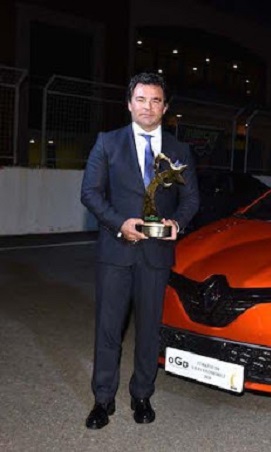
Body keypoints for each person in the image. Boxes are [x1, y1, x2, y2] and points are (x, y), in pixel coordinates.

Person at [80, 72, 199, 429]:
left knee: (149, 330)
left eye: (155, 100)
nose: (148, 106)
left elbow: (191, 199)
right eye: (141, 99)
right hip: (116, 252)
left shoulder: (179, 150)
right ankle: (103, 400)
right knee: (109, 329)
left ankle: (142, 394)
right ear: (129, 104)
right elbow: (90, 193)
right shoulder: (107, 143)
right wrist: (120, 224)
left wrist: (177, 223)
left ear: (165, 107)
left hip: (156, 254)